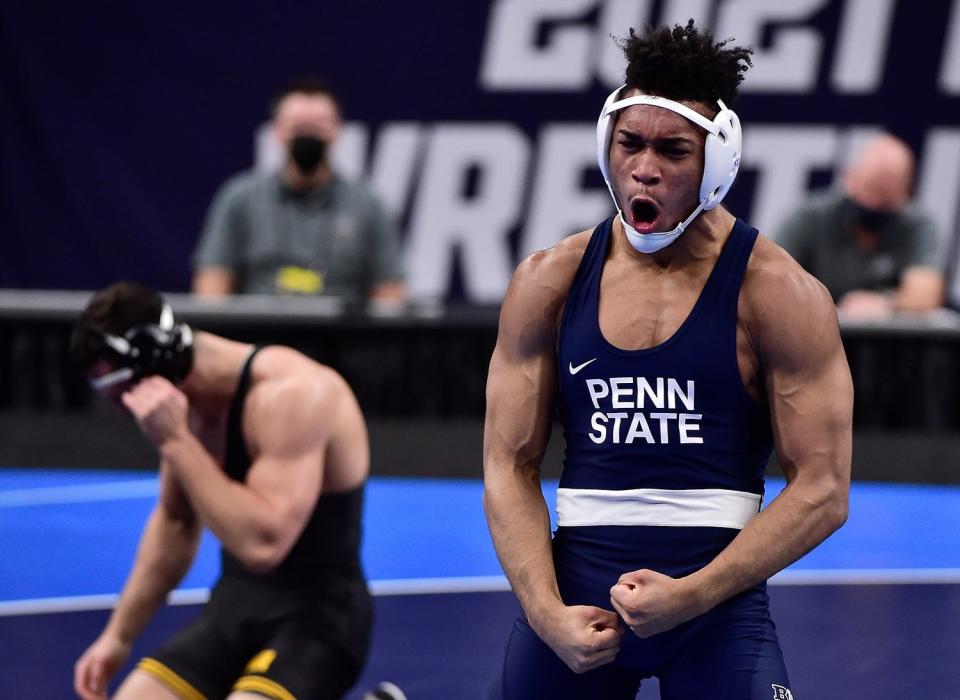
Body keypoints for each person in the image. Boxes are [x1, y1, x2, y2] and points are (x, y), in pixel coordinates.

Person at [483, 20, 851, 699]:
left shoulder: (779, 294)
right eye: (630, 143)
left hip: (717, 613)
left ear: (718, 162)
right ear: (605, 145)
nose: (644, 168)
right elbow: (508, 464)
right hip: (572, 613)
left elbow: (824, 489)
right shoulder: (549, 282)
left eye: (672, 150)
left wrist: (694, 595)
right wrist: (545, 615)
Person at [71, 282, 372, 700]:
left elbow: (262, 546)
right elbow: (176, 523)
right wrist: (118, 636)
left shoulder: (294, 395)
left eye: (120, 392)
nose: (122, 410)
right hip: (234, 608)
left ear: (154, 363)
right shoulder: (180, 403)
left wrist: (177, 442)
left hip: (320, 619)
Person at [191, 77, 406, 303]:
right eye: (298, 127)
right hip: (258, 333)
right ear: (276, 131)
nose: (307, 136)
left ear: (336, 130)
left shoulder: (368, 204)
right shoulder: (240, 197)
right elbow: (211, 286)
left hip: (340, 335)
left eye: (317, 126)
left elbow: (390, 293)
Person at [775, 132, 943, 318]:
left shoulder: (918, 225)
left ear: (906, 192)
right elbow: (772, 280)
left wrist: (885, 304)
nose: (873, 204)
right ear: (850, 177)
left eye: (884, 197)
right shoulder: (809, 217)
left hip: (888, 343)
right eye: (869, 190)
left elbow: (926, 295)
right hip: (812, 331)